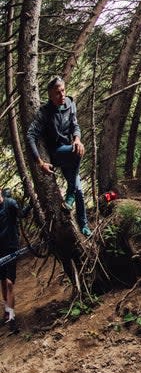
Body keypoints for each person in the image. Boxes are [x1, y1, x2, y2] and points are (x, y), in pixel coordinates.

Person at [27, 76, 91, 236]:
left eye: (63, 90)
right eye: (57, 93)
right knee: (75, 152)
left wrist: (77, 138)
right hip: (56, 153)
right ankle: (69, 194)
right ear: (50, 95)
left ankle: (84, 225)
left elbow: (75, 125)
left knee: (79, 190)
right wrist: (40, 162)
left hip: (70, 153)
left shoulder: (70, 103)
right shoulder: (44, 112)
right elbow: (30, 135)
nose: (62, 95)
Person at [0, 190, 31, 333]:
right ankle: (6, 312)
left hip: (11, 248)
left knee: (9, 283)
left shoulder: (10, 203)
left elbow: (22, 215)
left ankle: (11, 318)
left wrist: (32, 202)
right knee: (3, 282)